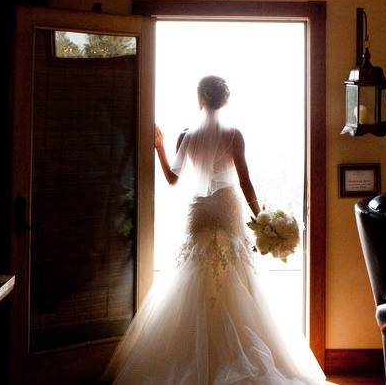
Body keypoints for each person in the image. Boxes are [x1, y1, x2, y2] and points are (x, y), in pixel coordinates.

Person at [104, 76, 326, 385]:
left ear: (201, 98)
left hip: (200, 209)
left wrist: (159, 147)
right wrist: (262, 219)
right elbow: (245, 180)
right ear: (224, 101)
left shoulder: (186, 135)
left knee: (194, 268)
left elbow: (172, 179)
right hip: (227, 205)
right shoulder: (234, 135)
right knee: (235, 270)